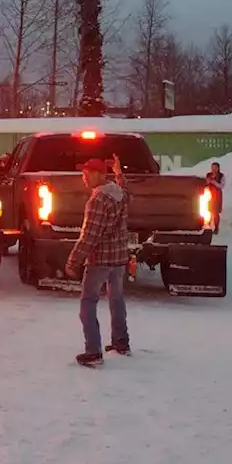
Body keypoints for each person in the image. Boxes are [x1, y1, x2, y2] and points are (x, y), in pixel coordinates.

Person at [64, 154, 131, 367]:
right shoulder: (118, 193)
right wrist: (119, 172)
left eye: (86, 174)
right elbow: (126, 190)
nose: (83, 178)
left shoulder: (97, 200)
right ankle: (121, 342)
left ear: (98, 175)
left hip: (100, 260)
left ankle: (93, 351)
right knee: (116, 299)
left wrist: (73, 261)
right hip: (119, 258)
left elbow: (89, 236)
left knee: (88, 302)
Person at [205, 162, 224, 235]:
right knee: (208, 211)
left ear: (218, 168)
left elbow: (222, 186)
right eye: (212, 167)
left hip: (217, 195)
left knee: (215, 212)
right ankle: (208, 227)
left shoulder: (221, 176)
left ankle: (216, 228)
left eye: (215, 167)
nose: (213, 169)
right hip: (209, 195)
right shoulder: (208, 175)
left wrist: (213, 182)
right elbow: (205, 183)